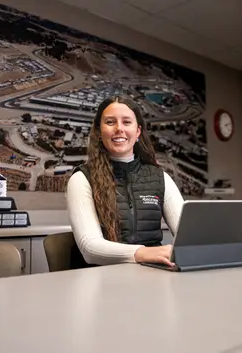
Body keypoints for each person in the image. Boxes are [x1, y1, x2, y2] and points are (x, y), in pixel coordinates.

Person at [66, 95, 184, 268]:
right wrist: (142, 253)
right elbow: (89, 248)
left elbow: (188, 235)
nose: (119, 128)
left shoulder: (160, 178)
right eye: (110, 122)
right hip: (102, 281)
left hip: (153, 276)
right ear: (99, 131)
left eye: (127, 122)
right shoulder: (82, 178)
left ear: (137, 132)